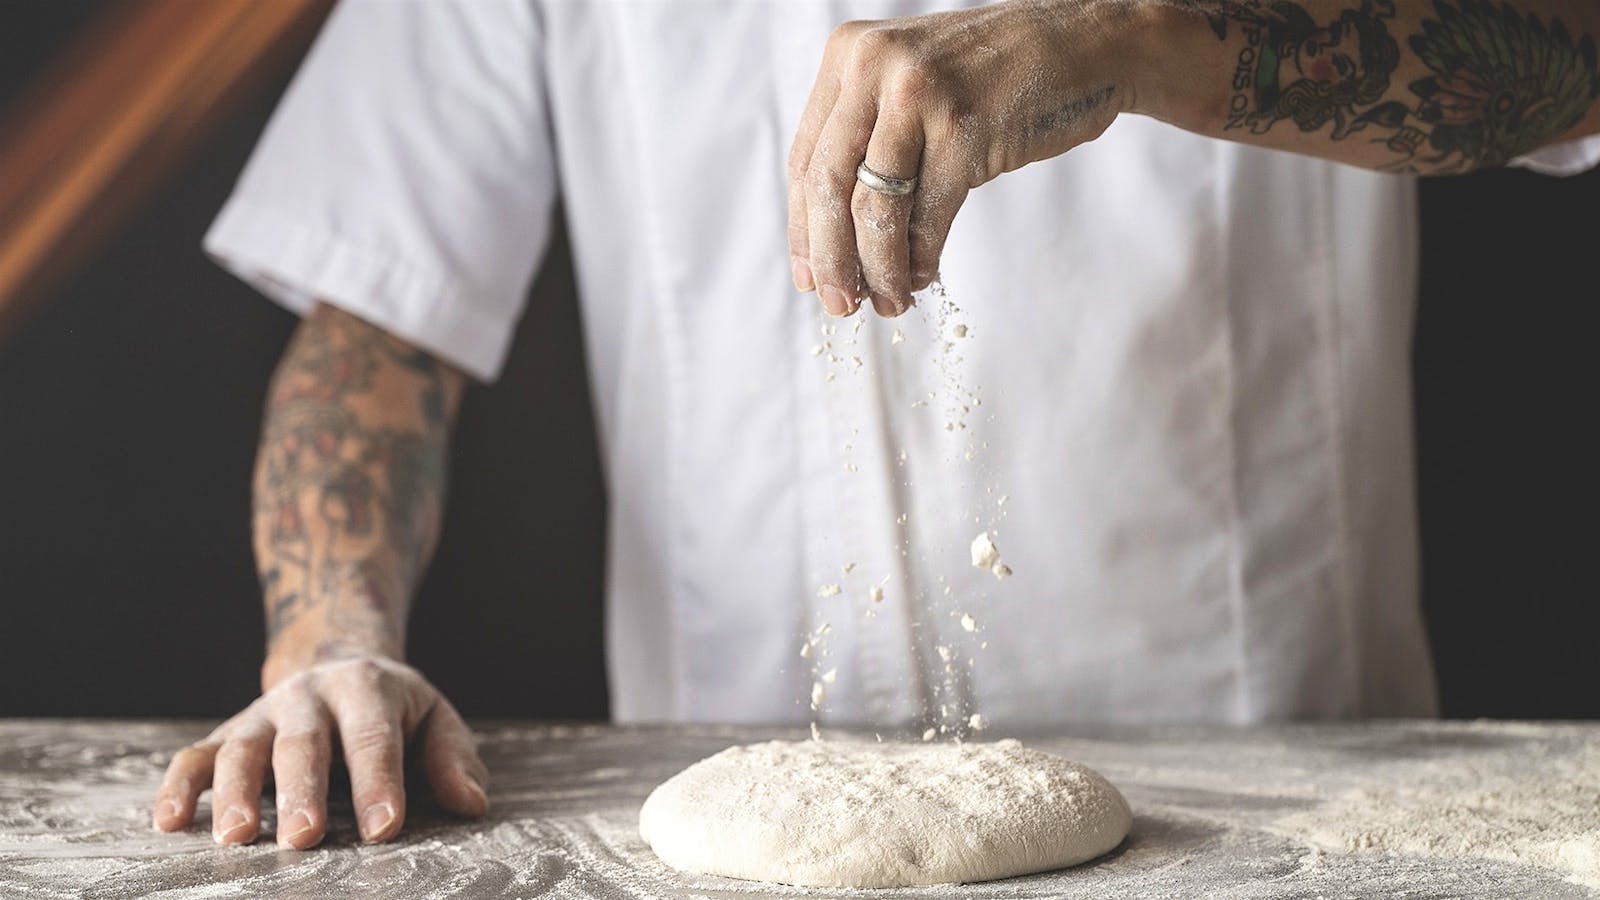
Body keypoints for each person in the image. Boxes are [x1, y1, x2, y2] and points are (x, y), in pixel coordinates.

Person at [149, 0, 1599, 850]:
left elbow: (1563, 54)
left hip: (1290, 807)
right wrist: (330, 640)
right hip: (724, 800)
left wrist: (1140, 36)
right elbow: (377, 320)